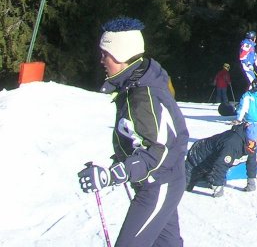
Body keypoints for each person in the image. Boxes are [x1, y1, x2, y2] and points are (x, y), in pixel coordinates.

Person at [77, 17, 189, 247]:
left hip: (158, 185)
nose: (101, 60)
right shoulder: (136, 83)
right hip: (163, 182)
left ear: (119, 55)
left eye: (104, 54)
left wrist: (114, 175)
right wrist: (122, 161)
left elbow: (158, 151)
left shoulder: (141, 95)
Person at [185, 122, 257, 196]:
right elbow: (221, 164)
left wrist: (251, 179)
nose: (252, 143)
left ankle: (205, 178)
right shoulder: (232, 143)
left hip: (214, 159)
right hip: (199, 154)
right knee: (183, 184)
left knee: (214, 180)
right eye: (251, 140)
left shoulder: (250, 143)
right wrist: (218, 187)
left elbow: (251, 161)